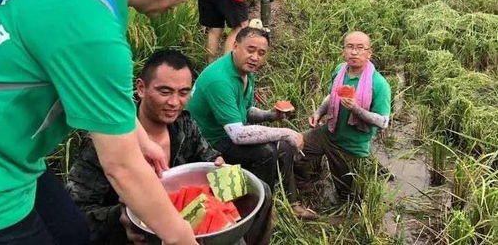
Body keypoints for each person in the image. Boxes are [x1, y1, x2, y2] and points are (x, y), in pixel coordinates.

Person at [0, 0, 218, 245]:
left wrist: (140, 136)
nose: (183, 3)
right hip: (3, 176)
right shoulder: (93, 30)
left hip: (18, 156)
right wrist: (183, 239)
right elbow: (122, 168)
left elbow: (86, 79)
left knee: (71, 233)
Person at [67, 49, 274, 245]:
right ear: (141, 88)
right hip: (135, 235)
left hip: (190, 225)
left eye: (183, 92)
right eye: (165, 91)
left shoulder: (184, 125)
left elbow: (209, 159)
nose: (175, 102)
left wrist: (218, 166)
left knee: (259, 192)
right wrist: (120, 219)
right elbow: (76, 212)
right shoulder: (106, 142)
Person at [187, 27, 317, 219]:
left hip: (227, 131)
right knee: (266, 152)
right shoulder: (219, 80)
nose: (255, 57)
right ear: (235, 46)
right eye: (250, 49)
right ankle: (259, 207)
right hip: (207, 143)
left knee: (285, 147)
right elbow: (238, 134)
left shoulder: (245, 72)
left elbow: (245, 112)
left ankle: (292, 202)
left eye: (261, 53)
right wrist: (284, 132)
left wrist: (270, 115)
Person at [297, 31, 391, 202]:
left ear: (369, 53)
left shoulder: (379, 84)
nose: (354, 52)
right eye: (350, 47)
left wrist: (357, 110)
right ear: (343, 51)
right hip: (328, 134)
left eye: (360, 48)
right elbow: (331, 96)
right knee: (295, 150)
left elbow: (383, 122)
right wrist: (319, 112)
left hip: (352, 147)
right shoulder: (340, 70)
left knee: (348, 196)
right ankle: (306, 191)